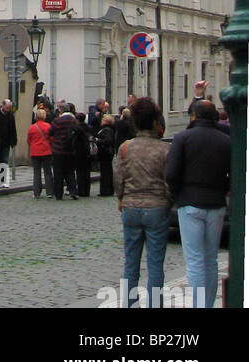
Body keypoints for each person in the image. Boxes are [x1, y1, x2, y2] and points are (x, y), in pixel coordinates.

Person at [164, 100, 231, 309]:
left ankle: (199, 305)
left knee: (194, 260)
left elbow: (171, 173)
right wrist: (223, 188)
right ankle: (208, 304)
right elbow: (235, 172)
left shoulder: (182, 138)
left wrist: (177, 194)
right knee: (210, 259)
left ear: (193, 116)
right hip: (217, 203)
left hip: (189, 202)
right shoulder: (226, 140)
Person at [114, 96, 171, 308]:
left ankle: (130, 305)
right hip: (156, 206)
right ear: (156, 122)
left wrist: (121, 198)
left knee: (131, 264)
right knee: (156, 265)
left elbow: (118, 179)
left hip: (130, 207)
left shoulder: (126, 148)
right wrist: (167, 199)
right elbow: (169, 182)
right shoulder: (164, 149)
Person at [49, 102, 80, 200]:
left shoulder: (57, 120)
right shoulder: (73, 120)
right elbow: (77, 131)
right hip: (70, 150)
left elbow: (50, 132)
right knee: (70, 172)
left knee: (58, 173)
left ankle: (58, 194)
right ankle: (73, 191)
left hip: (58, 150)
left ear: (61, 110)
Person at [27, 108, 53, 198]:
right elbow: (51, 139)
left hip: (35, 151)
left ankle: (36, 192)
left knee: (36, 172)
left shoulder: (32, 127)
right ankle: (49, 192)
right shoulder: (48, 126)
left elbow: (28, 140)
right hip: (46, 151)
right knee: (48, 172)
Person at [96, 113, 117, 197]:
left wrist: (98, 141)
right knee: (106, 171)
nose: (101, 121)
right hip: (106, 153)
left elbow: (108, 140)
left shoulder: (107, 129)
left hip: (105, 152)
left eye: (103, 119)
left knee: (106, 172)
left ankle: (106, 190)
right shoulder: (108, 129)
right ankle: (107, 189)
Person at [74, 112, 94, 198]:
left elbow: (75, 141)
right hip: (87, 152)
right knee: (87, 172)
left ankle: (81, 190)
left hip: (79, 152)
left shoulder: (77, 129)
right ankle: (87, 190)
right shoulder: (89, 127)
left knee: (80, 172)